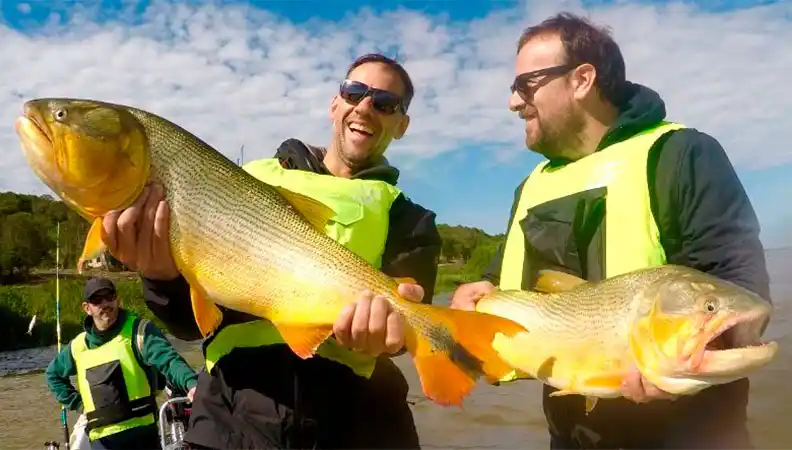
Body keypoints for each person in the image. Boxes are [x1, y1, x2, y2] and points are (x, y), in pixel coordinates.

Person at [450, 12, 771, 450]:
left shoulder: (681, 154)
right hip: (569, 435)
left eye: (526, 85)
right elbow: (504, 283)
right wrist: (477, 291)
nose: (513, 102)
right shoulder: (530, 187)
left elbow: (739, 285)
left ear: (582, 79)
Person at [98, 53, 441, 449]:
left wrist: (392, 338)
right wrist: (159, 278)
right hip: (229, 420)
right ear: (335, 104)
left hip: (356, 424)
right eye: (354, 92)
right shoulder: (247, 179)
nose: (364, 107)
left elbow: (408, 327)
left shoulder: (412, 220)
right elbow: (189, 326)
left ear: (402, 125)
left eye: (384, 103)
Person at [45, 276, 199, 450]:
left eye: (109, 297)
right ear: (87, 308)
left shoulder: (140, 332)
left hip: (142, 437)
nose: (105, 304)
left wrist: (191, 384)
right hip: (101, 442)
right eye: (97, 300)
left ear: (118, 300)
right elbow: (53, 375)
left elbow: (169, 360)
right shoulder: (77, 347)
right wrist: (79, 404)